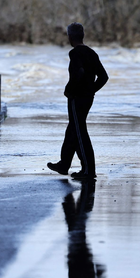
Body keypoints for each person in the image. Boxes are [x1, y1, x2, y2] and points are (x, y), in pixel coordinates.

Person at [47, 22, 108, 179]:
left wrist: (70, 89)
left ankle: (88, 170)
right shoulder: (92, 53)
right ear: (82, 35)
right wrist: (91, 90)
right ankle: (64, 164)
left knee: (80, 133)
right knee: (73, 130)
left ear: (70, 37)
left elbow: (79, 72)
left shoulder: (75, 53)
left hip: (77, 98)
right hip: (87, 98)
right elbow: (103, 77)